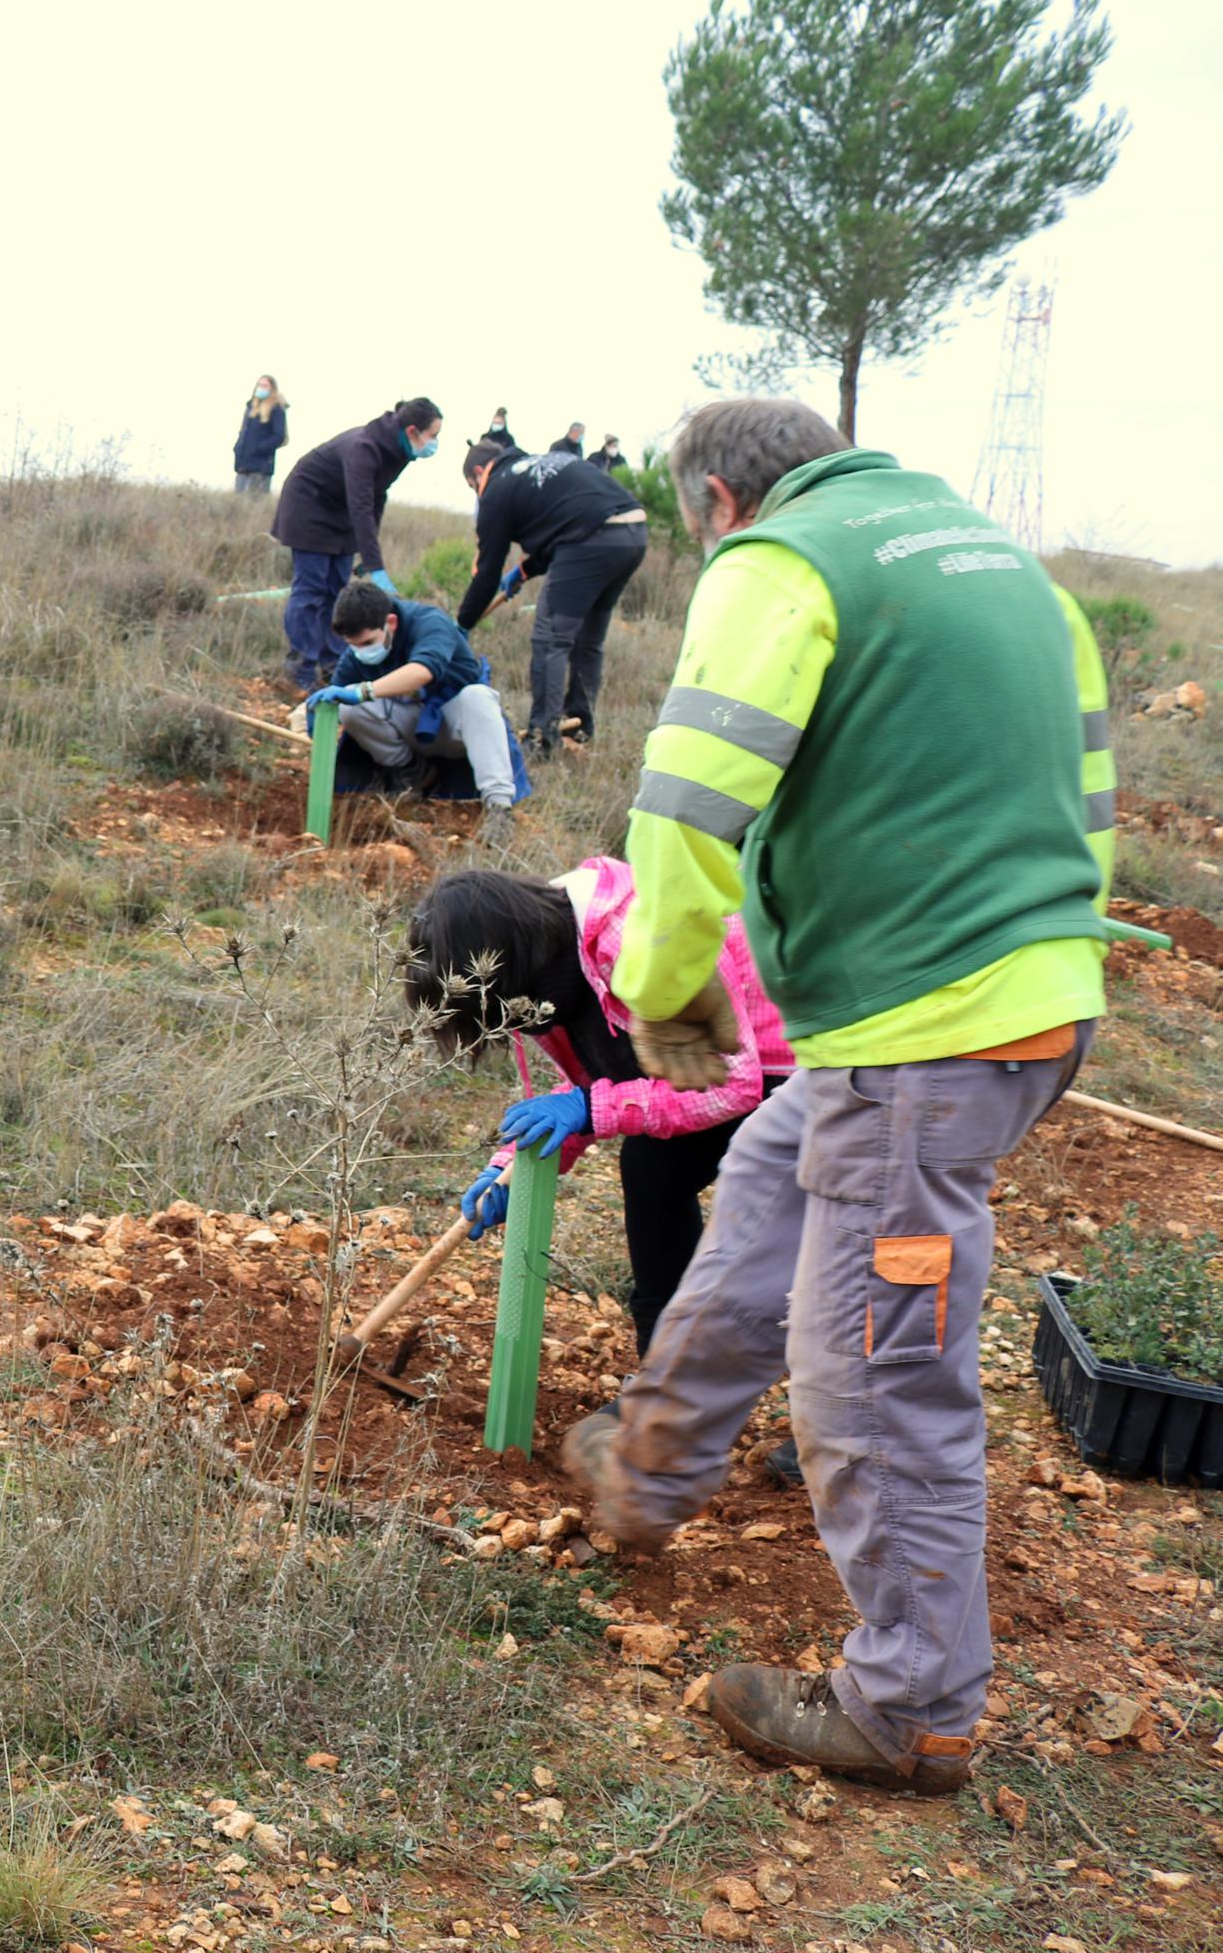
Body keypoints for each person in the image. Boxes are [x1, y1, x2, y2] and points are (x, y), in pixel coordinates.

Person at [566, 397, 1117, 1796]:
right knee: (765, 1184)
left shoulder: (786, 562)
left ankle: (911, 1706)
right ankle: (649, 1469)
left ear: (713, 502)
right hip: (1012, 1007)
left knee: (874, 1363)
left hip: (925, 1043)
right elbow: (1089, 786)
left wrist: (662, 985)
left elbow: (689, 799)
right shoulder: (997, 564)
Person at [407, 861, 796, 1375]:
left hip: (798, 1062)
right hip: (704, 1069)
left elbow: (730, 1081)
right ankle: (668, 1376)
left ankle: (848, 1418)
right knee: (652, 1170)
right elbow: (602, 1071)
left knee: (799, 1227)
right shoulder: (551, 973)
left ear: (506, 967)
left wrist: (591, 1109)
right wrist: (514, 1161)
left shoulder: (639, 938)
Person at [455, 439, 650, 753]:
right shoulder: (536, 466)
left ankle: (541, 736)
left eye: (472, 486)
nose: (477, 493)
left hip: (592, 539)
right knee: (588, 640)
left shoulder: (495, 490)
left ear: (478, 472)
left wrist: (463, 624)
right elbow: (563, 525)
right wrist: (523, 571)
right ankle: (579, 725)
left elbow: (487, 571)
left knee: (550, 639)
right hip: (632, 534)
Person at [292, 578, 519, 832]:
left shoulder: (430, 623)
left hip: (457, 725)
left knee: (478, 696)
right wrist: (313, 715)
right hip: (412, 732)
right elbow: (337, 699)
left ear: (391, 622)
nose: (360, 652)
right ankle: (413, 773)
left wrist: (364, 691)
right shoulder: (356, 655)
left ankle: (499, 809)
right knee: (348, 707)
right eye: (352, 646)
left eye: (367, 643)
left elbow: (422, 672)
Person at [270, 397, 443, 692]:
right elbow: (361, 506)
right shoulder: (364, 448)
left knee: (337, 592)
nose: (435, 442)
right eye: (433, 435)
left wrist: (368, 550)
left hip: (341, 511)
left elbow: (378, 497)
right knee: (311, 589)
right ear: (413, 431)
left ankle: (333, 664)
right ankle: (300, 668)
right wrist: (376, 567)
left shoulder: (400, 450)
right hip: (309, 505)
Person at [232, 376, 289, 494]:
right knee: (238, 504)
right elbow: (243, 432)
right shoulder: (251, 407)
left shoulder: (276, 409)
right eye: (260, 385)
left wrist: (259, 448)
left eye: (265, 386)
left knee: (255, 505)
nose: (261, 388)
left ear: (272, 388)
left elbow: (279, 436)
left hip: (261, 467)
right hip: (243, 466)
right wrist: (237, 449)